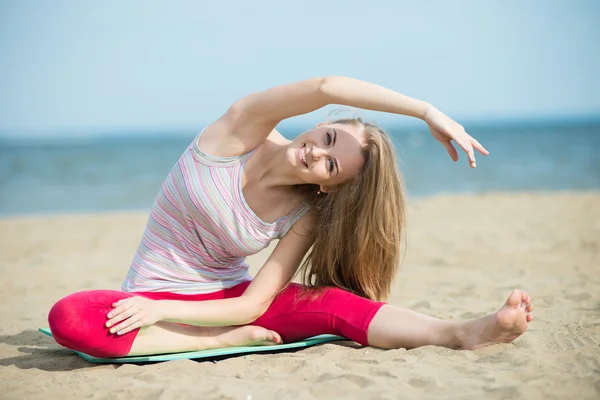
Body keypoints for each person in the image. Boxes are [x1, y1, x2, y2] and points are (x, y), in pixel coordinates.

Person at [48, 76, 533, 358]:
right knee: (69, 319)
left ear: (330, 185)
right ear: (320, 124)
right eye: (325, 138)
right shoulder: (242, 128)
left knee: (339, 307)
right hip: (152, 290)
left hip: (226, 302)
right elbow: (325, 85)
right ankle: (213, 341)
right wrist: (426, 111)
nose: (315, 153)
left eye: (331, 164)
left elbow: (252, 305)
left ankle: (463, 331)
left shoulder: (308, 209)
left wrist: (174, 316)